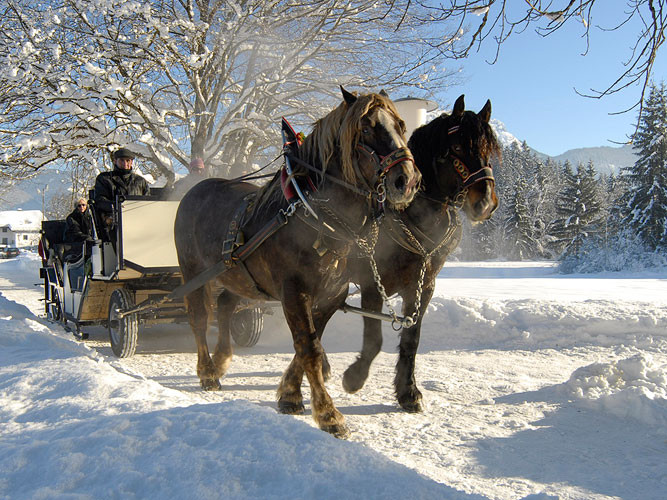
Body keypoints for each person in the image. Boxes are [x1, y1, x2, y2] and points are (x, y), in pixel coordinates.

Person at [93, 147, 149, 242]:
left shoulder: (140, 181)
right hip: (114, 223)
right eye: (122, 160)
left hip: (138, 222)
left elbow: (147, 202)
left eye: (128, 161)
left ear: (132, 162)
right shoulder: (105, 179)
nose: (125, 164)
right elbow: (100, 201)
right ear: (115, 161)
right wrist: (117, 206)